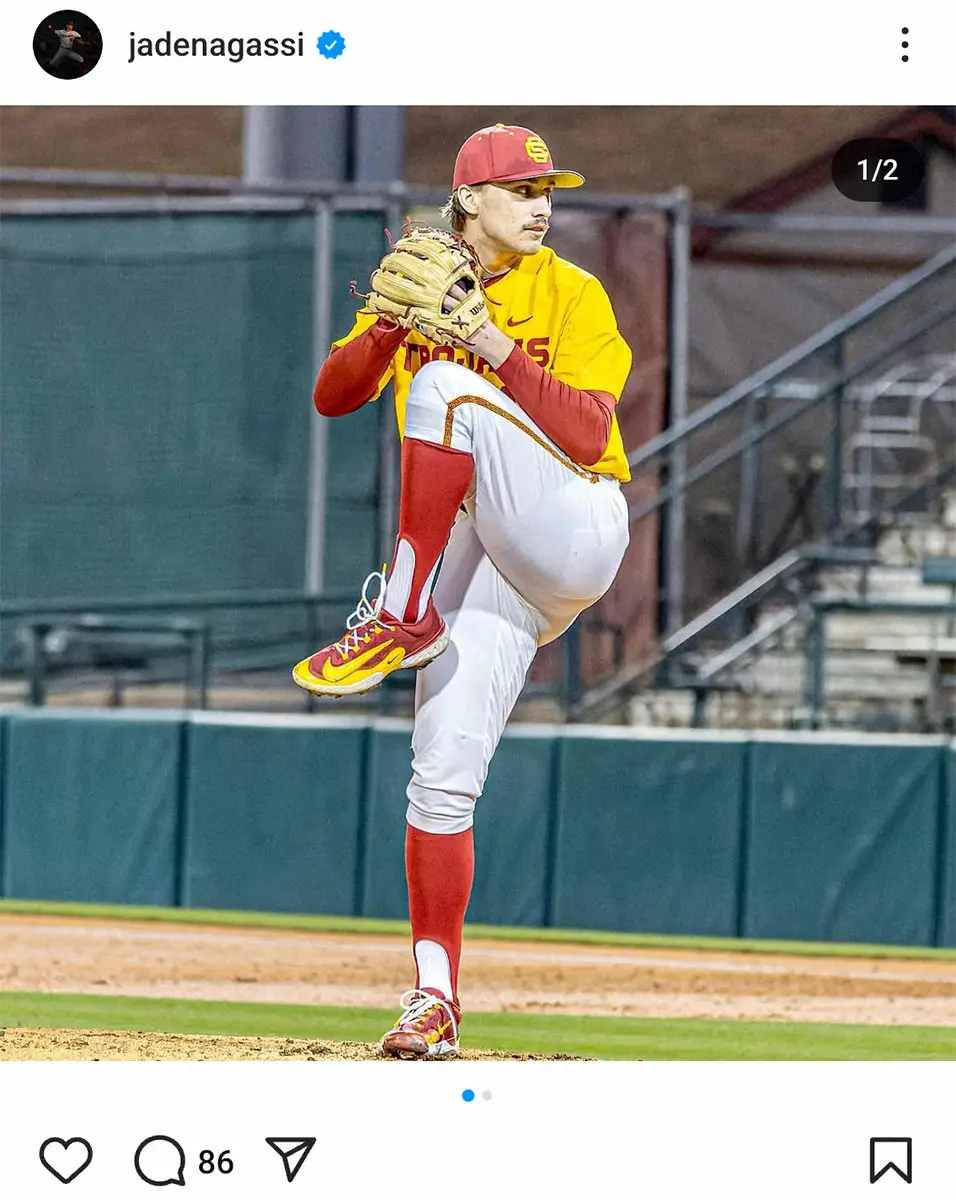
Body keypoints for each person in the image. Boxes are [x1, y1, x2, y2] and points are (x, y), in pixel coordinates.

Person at [293, 123, 632, 1057]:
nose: (542, 203)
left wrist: (482, 339)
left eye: (547, 188)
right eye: (522, 189)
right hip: (494, 556)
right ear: (469, 200)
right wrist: (394, 325)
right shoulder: (427, 275)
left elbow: (584, 424)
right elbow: (332, 394)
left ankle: (403, 610)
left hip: (574, 522)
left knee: (444, 384)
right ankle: (432, 1000)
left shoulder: (572, 290)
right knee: (439, 780)